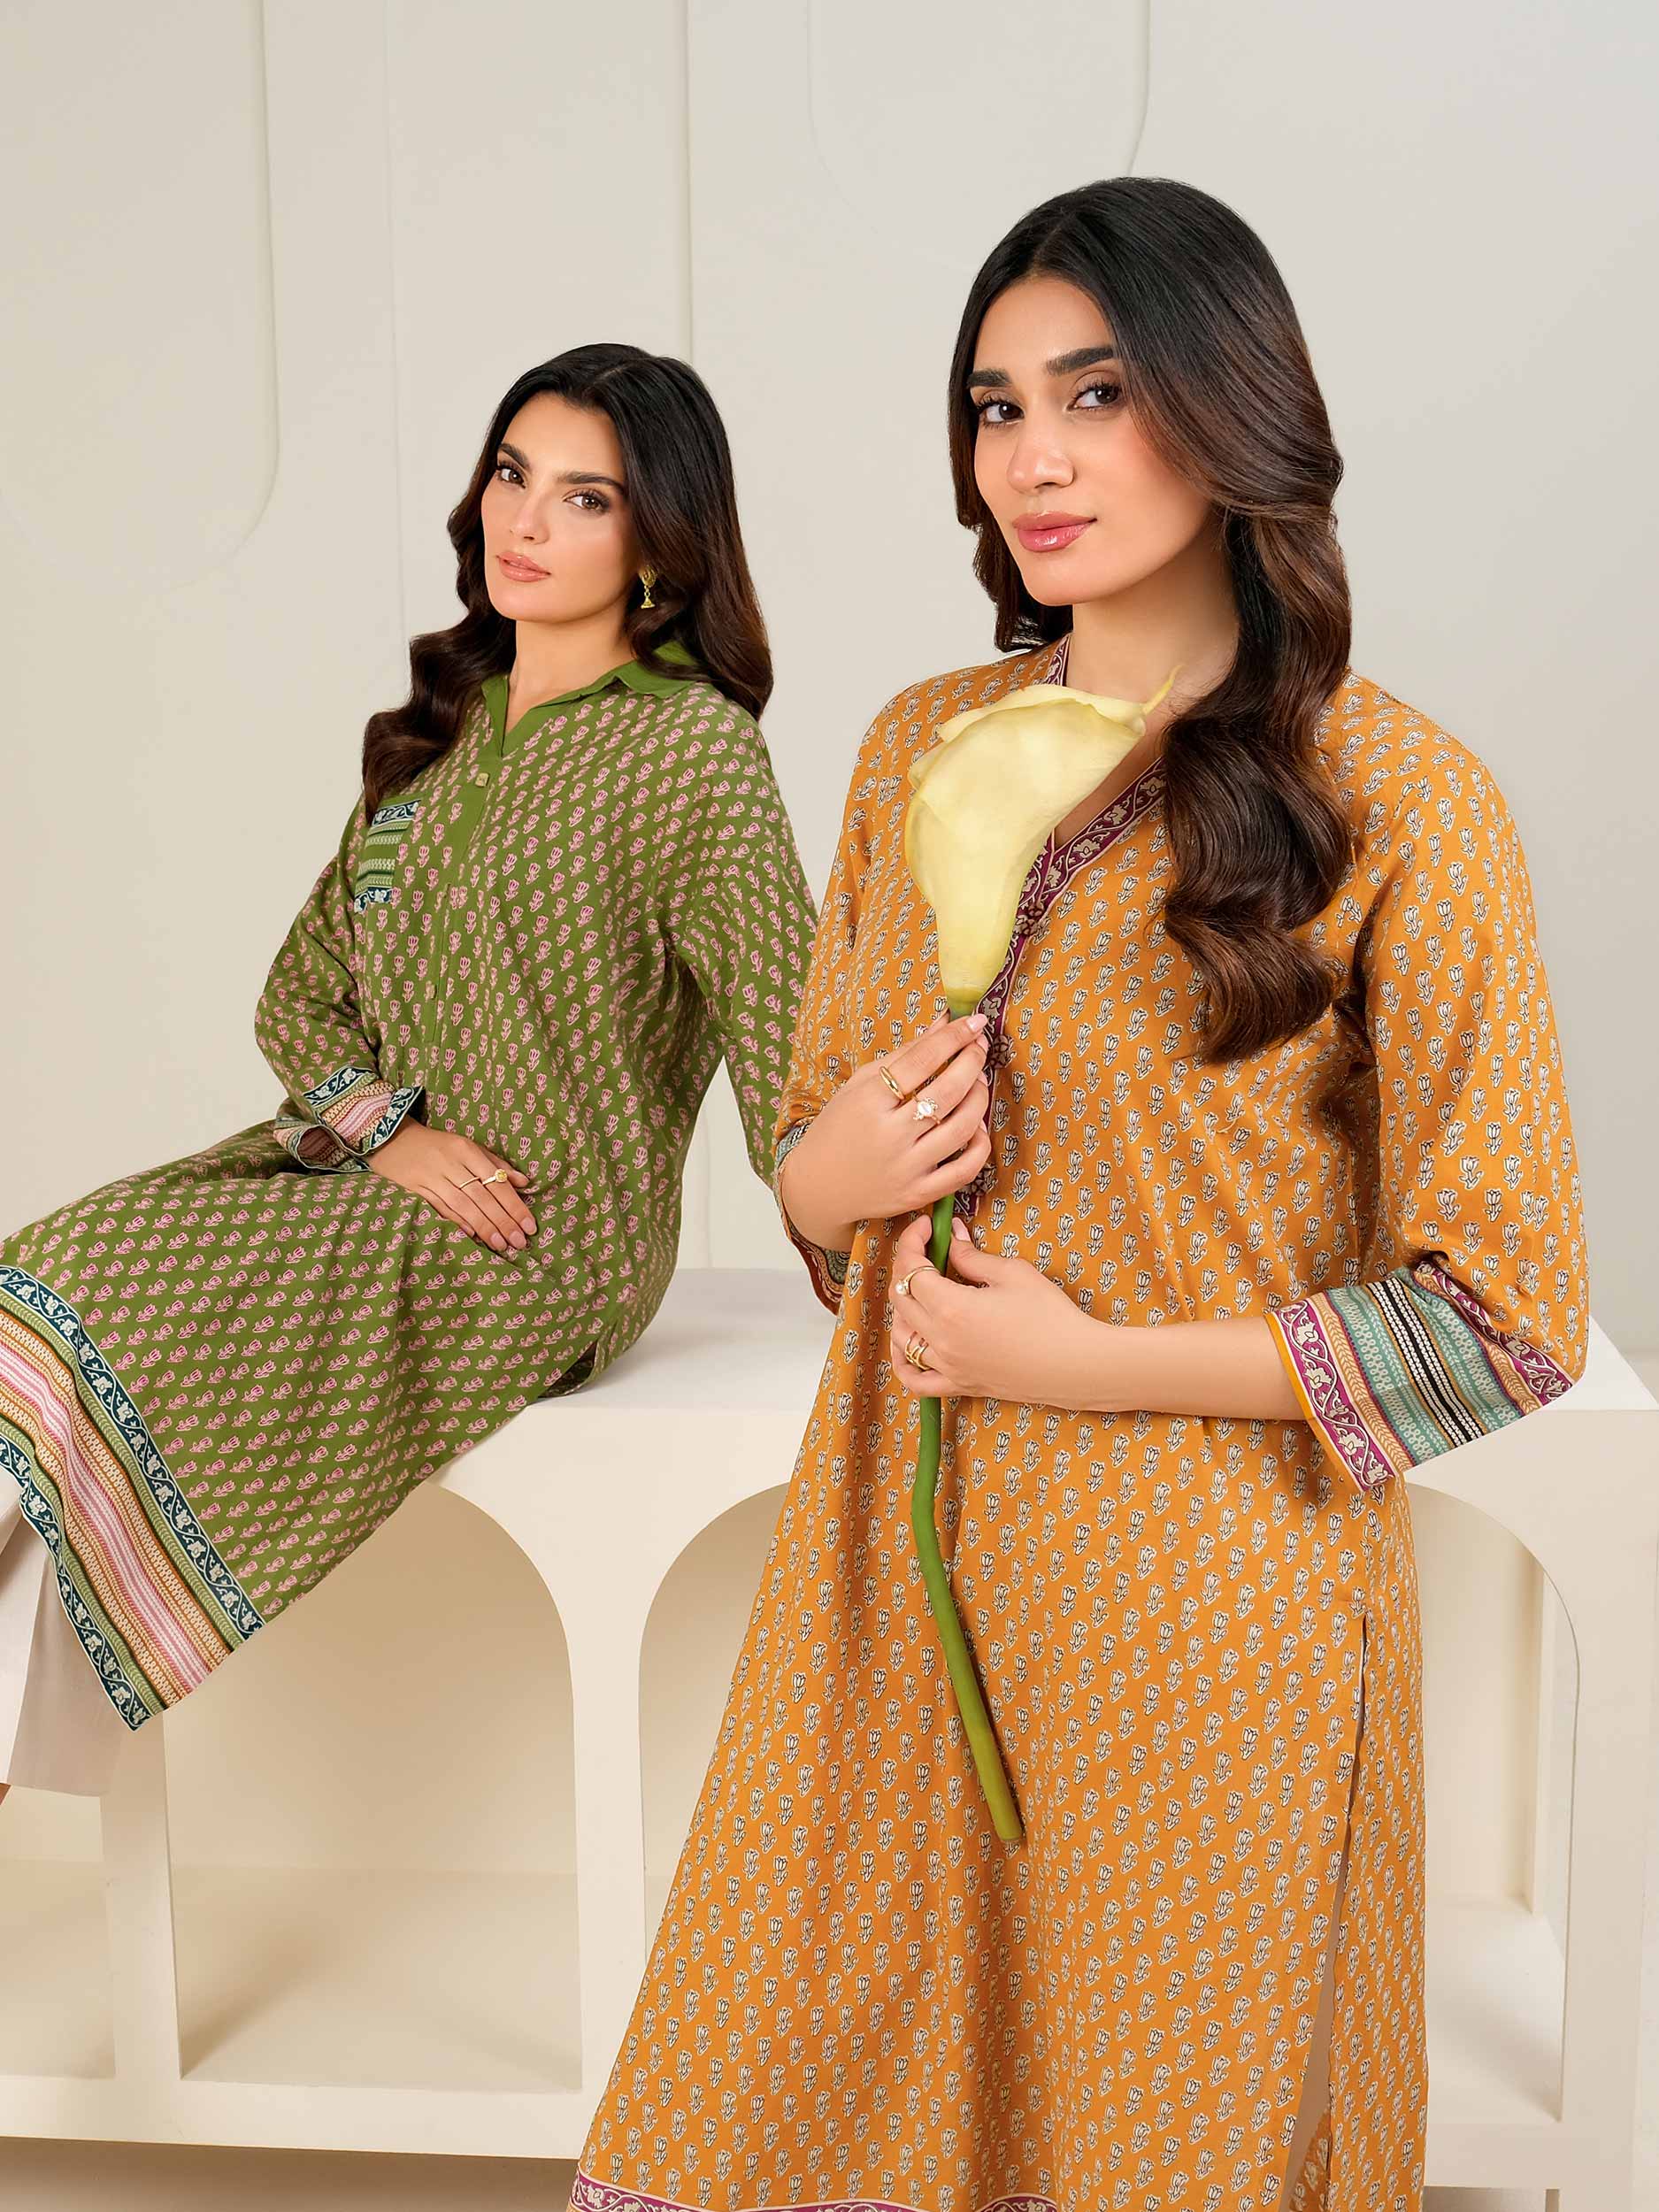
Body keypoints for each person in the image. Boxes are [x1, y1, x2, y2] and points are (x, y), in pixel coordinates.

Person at [569, 183, 1587, 2212]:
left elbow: (1500, 1317)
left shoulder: (1396, 798)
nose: (1031, 455)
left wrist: (1088, 1359)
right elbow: (821, 1175)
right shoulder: (917, 747)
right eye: (995, 405)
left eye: (1094, 393)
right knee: (787, 2102)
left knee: (1151, 2145)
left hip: (1205, 1623)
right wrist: (834, 1166)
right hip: (893, 1581)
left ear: (1226, 407)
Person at [0, 343, 816, 1804]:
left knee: (92, 1288)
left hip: (543, 1230)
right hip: (377, 1176)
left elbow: (786, 1036)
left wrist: (870, 1241)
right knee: (52, 1268)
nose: (526, 520)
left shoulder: (692, 756)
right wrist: (390, 1136)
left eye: (584, 498)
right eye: (512, 475)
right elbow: (299, 996)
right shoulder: (443, 736)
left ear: (657, 545)